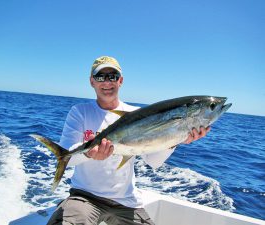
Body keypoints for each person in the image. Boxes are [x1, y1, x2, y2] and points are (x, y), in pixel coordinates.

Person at [47, 56, 210, 225]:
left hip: (126, 202)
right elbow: (70, 157)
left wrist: (176, 140)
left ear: (120, 81)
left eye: (113, 76)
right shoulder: (80, 112)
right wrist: (89, 154)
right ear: (91, 82)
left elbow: (153, 161)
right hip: (85, 197)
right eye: (100, 77)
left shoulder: (137, 114)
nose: (107, 82)